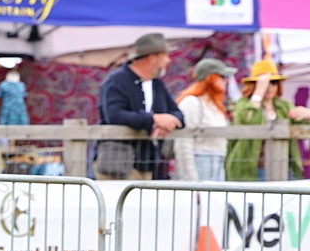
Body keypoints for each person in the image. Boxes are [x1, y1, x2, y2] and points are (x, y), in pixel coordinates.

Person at [95, 32, 184, 180]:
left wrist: (168, 122)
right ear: (152, 58)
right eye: (165, 56)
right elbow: (115, 116)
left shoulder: (157, 84)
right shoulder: (116, 81)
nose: (168, 61)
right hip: (118, 163)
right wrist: (154, 119)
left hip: (147, 163)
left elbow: (178, 113)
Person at [225, 58, 310, 181]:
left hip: (284, 167)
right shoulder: (243, 104)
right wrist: (259, 91)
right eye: (265, 83)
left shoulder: (284, 105)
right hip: (252, 169)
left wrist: (307, 114)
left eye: (273, 82)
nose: (269, 87)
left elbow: (302, 124)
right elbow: (247, 118)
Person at [173, 58, 236, 182]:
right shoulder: (192, 102)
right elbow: (183, 143)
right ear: (210, 78)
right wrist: (192, 180)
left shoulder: (215, 105)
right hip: (200, 162)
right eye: (222, 77)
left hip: (218, 161)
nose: (226, 81)